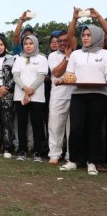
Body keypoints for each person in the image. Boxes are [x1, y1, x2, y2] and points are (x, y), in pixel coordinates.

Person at [59, 25, 107, 175]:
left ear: (97, 36)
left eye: (89, 35)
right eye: (83, 35)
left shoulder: (105, 54)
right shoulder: (75, 54)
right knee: (76, 128)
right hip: (78, 94)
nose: (85, 37)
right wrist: (61, 80)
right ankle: (73, 160)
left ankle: (92, 162)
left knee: (94, 129)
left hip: (99, 95)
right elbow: (69, 75)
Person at [12, 35, 48, 162]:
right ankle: (22, 150)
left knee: (36, 124)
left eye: (31, 43)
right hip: (20, 95)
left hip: (37, 97)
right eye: (26, 43)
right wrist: (25, 89)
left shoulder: (42, 58)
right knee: (21, 124)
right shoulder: (18, 59)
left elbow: (41, 77)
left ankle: (37, 152)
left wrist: (29, 91)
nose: (28, 45)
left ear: (36, 45)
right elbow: (16, 77)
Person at [47, 31, 74, 164]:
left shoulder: (77, 54)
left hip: (75, 95)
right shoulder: (52, 55)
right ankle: (54, 154)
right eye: (60, 40)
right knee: (55, 126)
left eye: (65, 40)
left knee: (72, 129)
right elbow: (57, 73)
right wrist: (67, 58)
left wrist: (70, 55)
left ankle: (71, 156)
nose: (62, 43)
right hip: (58, 96)